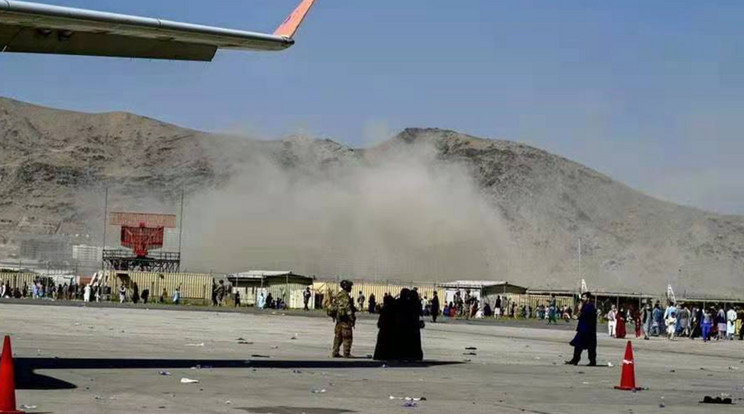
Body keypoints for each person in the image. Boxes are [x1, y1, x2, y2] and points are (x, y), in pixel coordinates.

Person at [566, 292, 597, 366]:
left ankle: (592, 361)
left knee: (591, 347)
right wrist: (576, 315)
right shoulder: (584, 305)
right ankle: (575, 359)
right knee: (578, 345)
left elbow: (587, 315)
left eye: (584, 297)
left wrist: (580, 310)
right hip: (582, 328)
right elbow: (580, 315)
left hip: (589, 330)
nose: (582, 299)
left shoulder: (590, 306)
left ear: (588, 298)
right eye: (582, 297)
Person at [331, 280, 356, 358]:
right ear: (346, 287)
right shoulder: (345, 296)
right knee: (347, 337)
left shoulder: (339, 294)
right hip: (345, 320)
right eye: (350, 287)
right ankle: (346, 353)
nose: (351, 288)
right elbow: (347, 308)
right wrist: (351, 318)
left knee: (338, 337)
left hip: (339, 320)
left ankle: (335, 352)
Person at [373, 294, 397, 360]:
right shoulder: (392, 310)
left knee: (381, 344)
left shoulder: (385, 309)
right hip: (390, 330)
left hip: (383, 330)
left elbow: (380, 322)